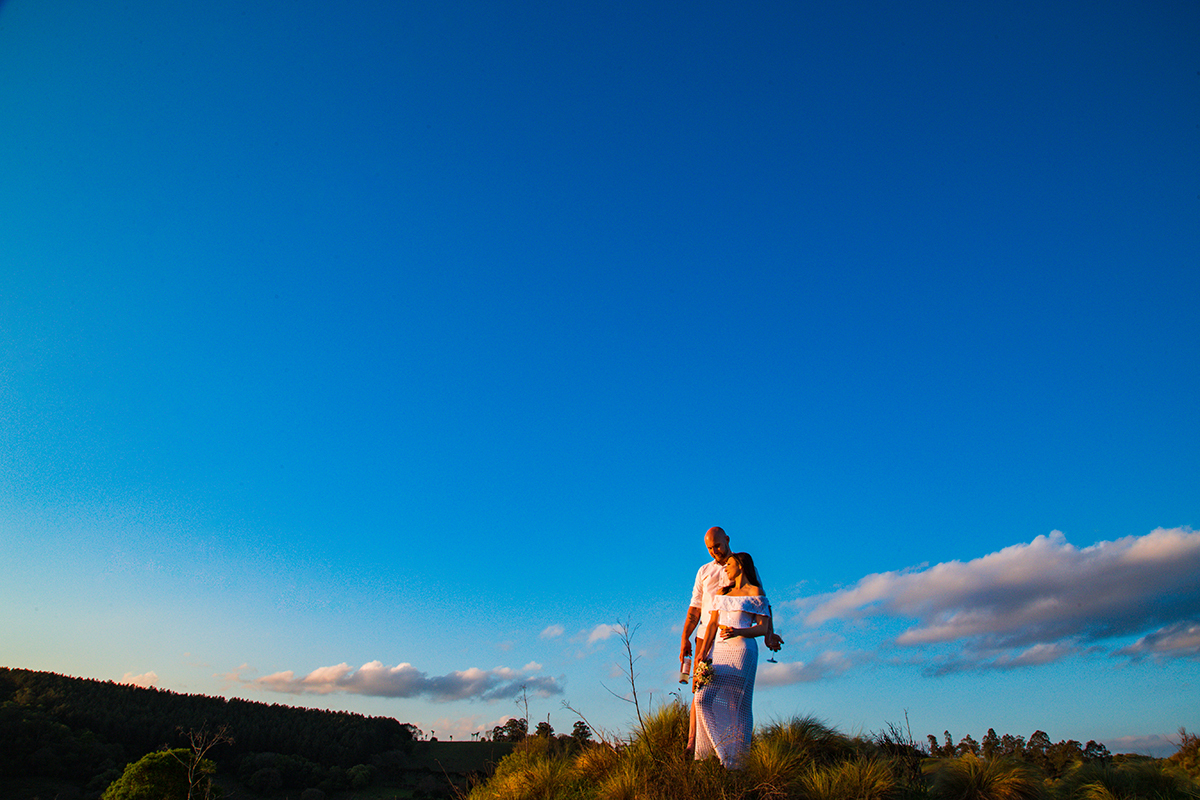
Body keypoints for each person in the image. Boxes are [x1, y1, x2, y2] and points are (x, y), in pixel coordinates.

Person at [679, 527, 782, 758]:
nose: (714, 551)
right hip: (706, 636)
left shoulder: (745, 567)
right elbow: (694, 609)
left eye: (717, 545)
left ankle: (731, 751)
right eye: (709, 548)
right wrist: (685, 637)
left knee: (735, 698)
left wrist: (769, 634)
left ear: (727, 540)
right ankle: (694, 745)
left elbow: (761, 603)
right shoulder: (704, 571)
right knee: (700, 692)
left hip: (735, 641)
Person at [691, 551, 770, 767]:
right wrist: (702, 654)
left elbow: (763, 627)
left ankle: (738, 762)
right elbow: (712, 626)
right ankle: (723, 753)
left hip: (743, 651)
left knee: (739, 705)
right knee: (702, 699)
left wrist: (738, 631)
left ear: (741, 566)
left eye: (729, 565)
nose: (725, 568)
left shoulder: (755, 592)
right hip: (719, 653)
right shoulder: (722, 593)